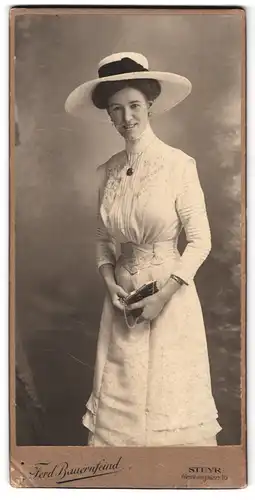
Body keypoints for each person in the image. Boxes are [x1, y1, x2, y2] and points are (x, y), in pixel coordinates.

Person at [65, 52, 222, 447]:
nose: (127, 118)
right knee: (120, 413)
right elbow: (103, 241)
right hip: (121, 302)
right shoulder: (106, 172)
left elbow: (201, 240)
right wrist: (109, 282)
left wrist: (164, 295)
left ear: (149, 104)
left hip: (170, 296)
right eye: (116, 110)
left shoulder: (178, 165)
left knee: (170, 410)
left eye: (134, 106)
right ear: (109, 116)